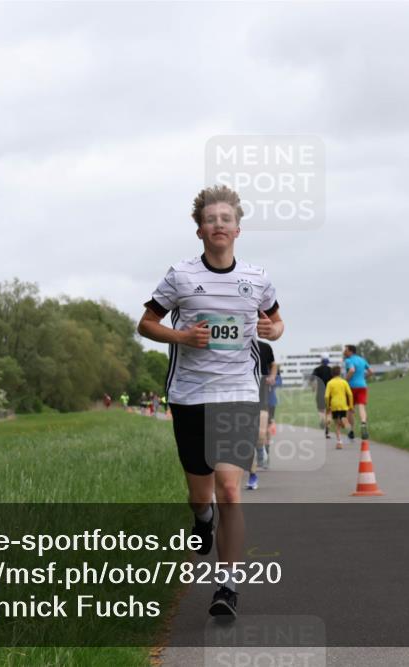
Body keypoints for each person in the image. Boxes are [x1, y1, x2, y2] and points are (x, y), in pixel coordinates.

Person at [137, 185, 284, 618]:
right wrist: (182, 336)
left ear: (238, 228)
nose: (218, 224)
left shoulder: (256, 278)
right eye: (210, 219)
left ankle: (227, 586)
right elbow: (146, 323)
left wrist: (273, 331)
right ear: (199, 229)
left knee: (230, 492)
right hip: (190, 395)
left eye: (226, 218)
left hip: (238, 392)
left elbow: (275, 322)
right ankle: (201, 520)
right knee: (200, 494)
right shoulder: (180, 276)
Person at [248, 341, 276, 489]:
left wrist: (272, 376)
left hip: (261, 390)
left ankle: (260, 449)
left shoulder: (264, 347)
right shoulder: (235, 345)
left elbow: (273, 364)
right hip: (240, 392)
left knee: (260, 433)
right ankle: (252, 476)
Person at [343, 344, 373, 440]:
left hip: (351, 387)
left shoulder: (348, 360)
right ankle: (363, 424)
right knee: (361, 406)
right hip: (362, 386)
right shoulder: (362, 359)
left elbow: (351, 370)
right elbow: (371, 372)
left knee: (350, 409)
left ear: (351, 351)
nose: (344, 352)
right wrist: (362, 378)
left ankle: (351, 431)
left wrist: (345, 380)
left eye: (346, 350)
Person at [324, 366, 353, 450]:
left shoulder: (330, 383)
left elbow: (326, 396)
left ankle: (339, 442)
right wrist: (351, 405)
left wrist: (327, 406)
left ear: (331, 374)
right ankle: (349, 430)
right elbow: (350, 394)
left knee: (337, 424)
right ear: (340, 373)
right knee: (344, 420)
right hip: (343, 405)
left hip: (334, 405)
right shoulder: (344, 382)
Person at [311, 357, 333, 439]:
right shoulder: (331, 370)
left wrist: (313, 388)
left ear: (321, 361)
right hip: (330, 393)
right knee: (329, 411)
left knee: (320, 410)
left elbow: (312, 380)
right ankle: (327, 431)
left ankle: (323, 420)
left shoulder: (317, 369)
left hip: (320, 392)